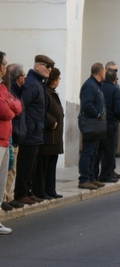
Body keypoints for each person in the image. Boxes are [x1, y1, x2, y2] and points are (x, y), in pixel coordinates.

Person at [14, 55, 54, 205]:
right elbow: (21, 105)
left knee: (32, 166)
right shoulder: (31, 83)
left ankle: (28, 191)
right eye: (47, 66)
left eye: (51, 67)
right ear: (37, 66)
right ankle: (20, 193)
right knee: (25, 165)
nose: (50, 69)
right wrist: (25, 127)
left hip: (36, 132)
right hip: (29, 132)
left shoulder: (38, 83)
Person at [32, 67, 64, 199]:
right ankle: (41, 190)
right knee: (44, 165)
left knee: (51, 165)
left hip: (55, 137)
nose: (59, 81)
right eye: (59, 78)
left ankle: (51, 190)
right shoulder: (46, 92)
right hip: (48, 136)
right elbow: (41, 111)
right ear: (54, 80)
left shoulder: (52, 92)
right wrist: (52, 122)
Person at [0, 51, 22, 234]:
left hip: (5, 141)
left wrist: (10, 108)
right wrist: (10, 109)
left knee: (1, 184)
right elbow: (6, 112)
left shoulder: (2, 88)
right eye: (4, 64)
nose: (5, 68)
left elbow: (17, 105)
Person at [78, 63, 106, 190]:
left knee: (94, 151)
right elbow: (87, 104)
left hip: (96, 124)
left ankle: (91, 177)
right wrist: (98, 114)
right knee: (88, 151)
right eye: (104, 72)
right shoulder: (90, 85)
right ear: (100, 73)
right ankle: (84, 179)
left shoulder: (97, 86)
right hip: (90, 123)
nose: (105, 74)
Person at [94, 69, 120, 183]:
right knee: (109, 150)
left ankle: (94, 174)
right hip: (111, 123)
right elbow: (119, 109)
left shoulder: (98, 88)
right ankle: (106, 174)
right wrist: (118, 117)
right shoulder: (115, 90)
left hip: (97, 123)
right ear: (114, 79)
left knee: (97, 150)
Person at [2, 64, 26, 209]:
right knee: (7, 168)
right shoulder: (8, 90)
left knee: (12, 168)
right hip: (10, 134)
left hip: (14, 134)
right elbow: (8, 111)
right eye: (23, 75)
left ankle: (9, 196)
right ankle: (4, 197)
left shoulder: (17, 91)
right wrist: (13, 109)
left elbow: (17, 106)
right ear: (18, 77)